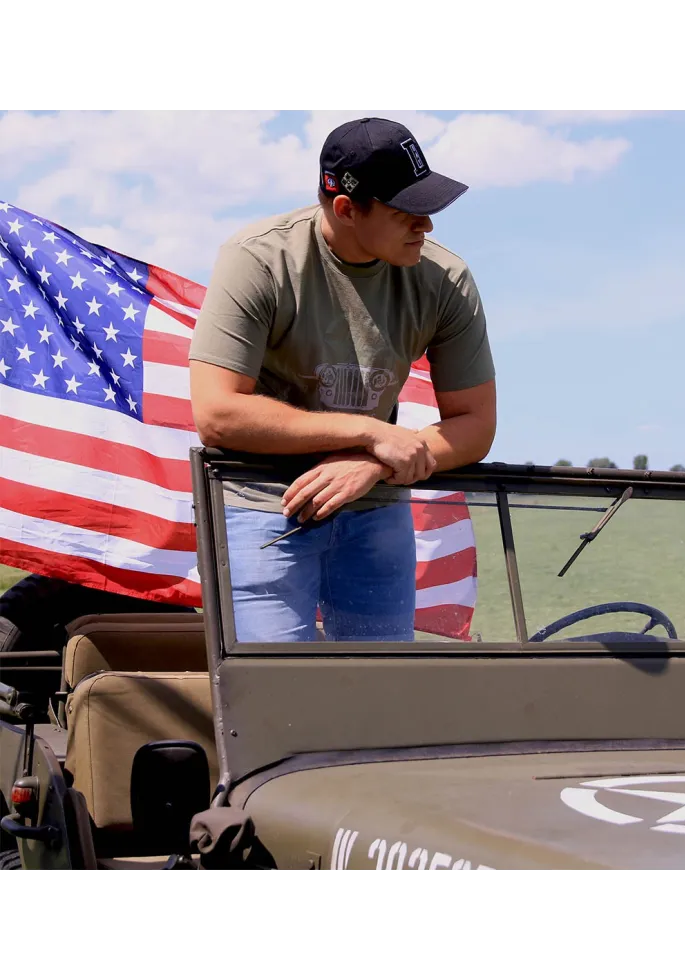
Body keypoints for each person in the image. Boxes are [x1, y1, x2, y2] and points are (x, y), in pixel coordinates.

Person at [189, 117, 496, 643]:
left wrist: (374, 462)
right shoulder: (258, 259)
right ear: (347, 209)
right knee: (271, 688)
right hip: (263, 504)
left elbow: (476, 425)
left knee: (380, 690)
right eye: (405, 212)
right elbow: (217, 414)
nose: (426, 226)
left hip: (376, 507)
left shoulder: (445, 279)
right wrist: (370, 433)